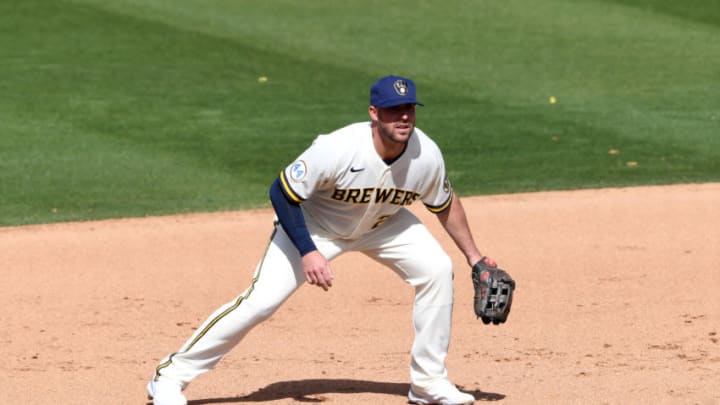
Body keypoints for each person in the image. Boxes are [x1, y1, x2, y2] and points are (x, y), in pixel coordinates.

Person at [147, 75, 497, 405]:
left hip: (382, 224)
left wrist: (475, 257)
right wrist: (309, 251)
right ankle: (169, 377)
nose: (403, 117)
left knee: (437, 270)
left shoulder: (427, 155)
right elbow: (282, 192)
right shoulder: (337, 148)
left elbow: (445, 205)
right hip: (314, 226)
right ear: (374, 114)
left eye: (409, 109)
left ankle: (428, 382)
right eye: (393, 110)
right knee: (260, 303)